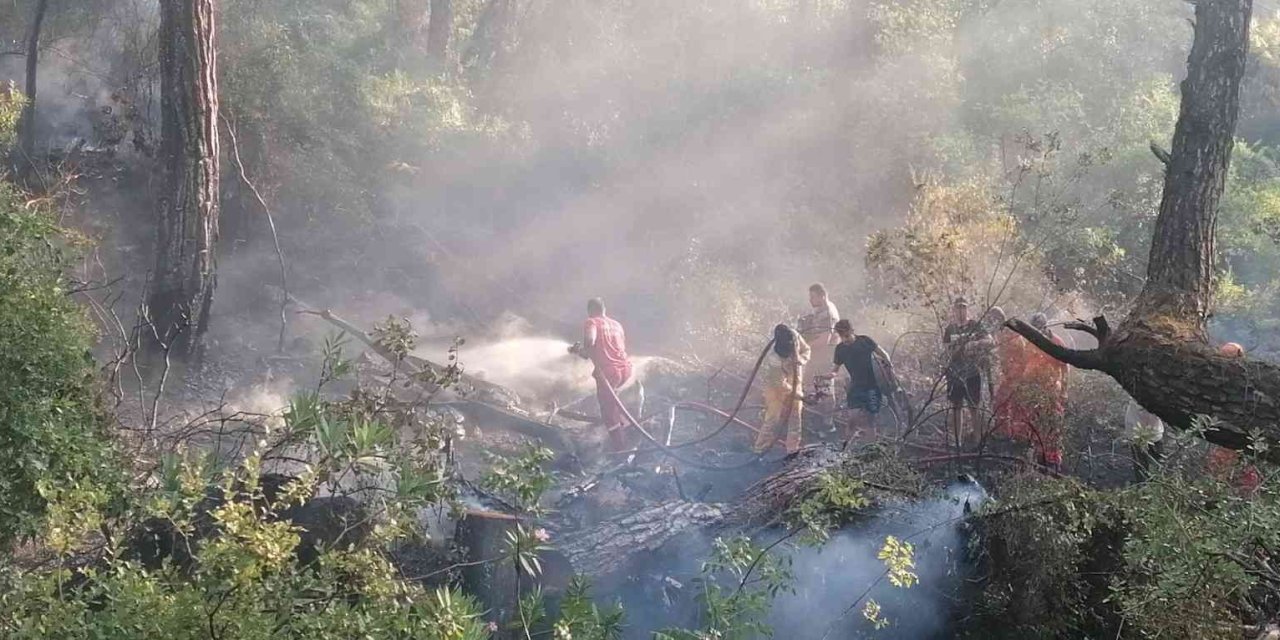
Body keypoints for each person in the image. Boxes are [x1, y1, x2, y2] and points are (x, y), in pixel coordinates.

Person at [571, 298, 634, 453]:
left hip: (609, 372)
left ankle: (620, 449)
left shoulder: (591, 322)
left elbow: (590, 341)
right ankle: (628, 429)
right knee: (613, 403)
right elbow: (610, 348)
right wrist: (584, 352)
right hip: (625, 369)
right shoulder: (616, 325)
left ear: (590, 310)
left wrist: (580, 349)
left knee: (608, 411)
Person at [1205, 342, 1261, 493]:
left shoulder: (1250, 383)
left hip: (1239, 440)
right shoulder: (1215, 380)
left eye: (1228, 358)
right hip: (1223, 437)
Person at [829, 319, 893, 441]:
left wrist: (889, 367)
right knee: (852, 419)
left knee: (871, 419)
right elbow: (835, 369)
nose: (845, 339)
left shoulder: (865, 341)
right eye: (842, 337)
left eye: (847, 335)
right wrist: (829, 375)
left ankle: (871, 448)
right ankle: (846, 447)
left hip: (873, 386)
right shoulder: (840, 349)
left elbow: (883, 353)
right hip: (855, 387)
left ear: (852, 331)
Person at [942, 297, 992, 448]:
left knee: (973, 407)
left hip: (972, 372)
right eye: (958, 307)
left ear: (967, 309)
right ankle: (957, 442)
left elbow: (990, 341)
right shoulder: (950, 329)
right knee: (956, 407)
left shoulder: (975, 325)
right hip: (955, 373)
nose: (961, 310)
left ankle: (977, 441)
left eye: (963, 307)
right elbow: (946, 350)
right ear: (954, 310)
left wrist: (975, 343)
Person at [1022, 313, 1070, 469]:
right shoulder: (1030, 342)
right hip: (1034, 389)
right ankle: (1039, 458)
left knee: (1053, 424)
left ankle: (1054, 460)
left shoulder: (1056, 342)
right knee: (1035, 424)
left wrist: (1064, 389)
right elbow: (1027, 363)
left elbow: (1065, 367)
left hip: (1051, 390)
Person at [754, 324, 811, 455]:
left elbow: (807, 349)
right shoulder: (774, 358)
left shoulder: (795, 336)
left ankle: (792, 450)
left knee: (795, 415)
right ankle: (760, 450)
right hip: (775, 387)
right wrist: (800, 396)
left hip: (795, 379)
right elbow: (780, 385)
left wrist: (801, 360)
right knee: (773, 417)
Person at [798, 283, 840, 429]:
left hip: (824, 356)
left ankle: (827, 424)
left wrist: (802, 347)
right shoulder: (822, 309)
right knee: (809, 384)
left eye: (813, 297)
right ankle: (814, 418)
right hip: (817, 355)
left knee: (825, 389)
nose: (810, 300)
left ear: (822, 296)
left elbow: (824, 340)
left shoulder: (827, 313)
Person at [1125, 400, 1165, 483]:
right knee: (1149, 467)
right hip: (1144, 437)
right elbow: (1147, 417)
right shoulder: (1142, 399)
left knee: (1144, 467)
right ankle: (1149, 487)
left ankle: (1149, 487)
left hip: (1144, 436)